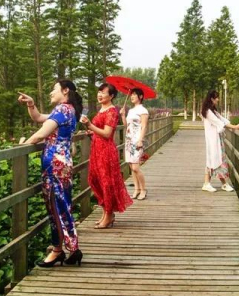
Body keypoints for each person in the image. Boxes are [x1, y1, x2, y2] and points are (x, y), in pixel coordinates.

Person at [18, 80, 83, 267]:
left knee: (56, 206)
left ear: (65, 90)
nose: (50, 93)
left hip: (54, 165)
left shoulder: (62, 110)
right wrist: (31, 104)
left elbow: (40, 134)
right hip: (61, 163)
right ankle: (66, 249)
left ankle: (62, 249)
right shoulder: (68, 110)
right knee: (61, 205)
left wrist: (21, 146)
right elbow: (39, 118)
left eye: (54, 90)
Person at [80, 83, 133, 228]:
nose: (100, 94)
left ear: (112, 96)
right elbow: (100, 130)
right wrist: (91, 131)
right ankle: (106, 213)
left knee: (106, 182)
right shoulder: (101, 109)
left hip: (106, 152)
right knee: (96, 180)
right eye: (99, 91)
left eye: (103, 92)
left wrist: (90, 125)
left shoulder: (112, 111)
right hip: (97, 149)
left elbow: (108, 134)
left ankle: (109, 215)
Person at [201, 90, 239, 193]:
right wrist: (234, 127)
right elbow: (219, 122)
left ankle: (208, 184)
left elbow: (222, 120)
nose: (218, 99)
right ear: (212, 99)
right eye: (217, 98)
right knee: (217, 160)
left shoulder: (212, 111)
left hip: (216, 139)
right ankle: (223, 184)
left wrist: (234, 126)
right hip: (213, 140)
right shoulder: (208, 112)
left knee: (213, 160)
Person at [120, 88, 149, 200]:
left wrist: (140, 140)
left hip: (137, 140)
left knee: (136, 167)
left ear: (140, 97)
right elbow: (127, 125)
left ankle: (143, 189)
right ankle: (136, 189)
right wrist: (123, 115)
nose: (131, 96)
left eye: (134, 95)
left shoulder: (143, 110)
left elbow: (144, 126)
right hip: (129, 140)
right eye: (131, 95)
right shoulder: (131, 111)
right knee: (131, 166)